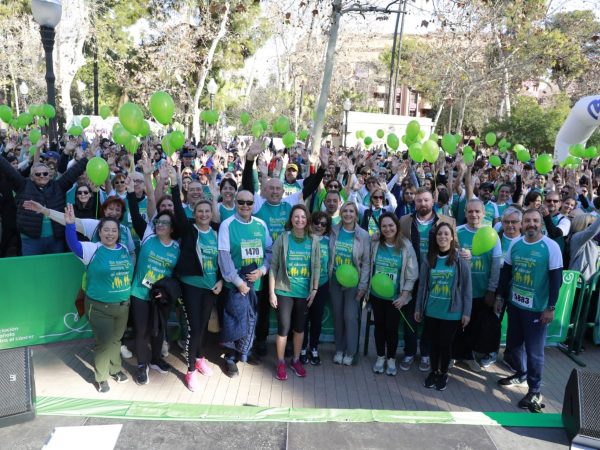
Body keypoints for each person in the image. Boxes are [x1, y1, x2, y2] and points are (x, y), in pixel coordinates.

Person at [496, 208, 563, 411]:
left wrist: (550, 307)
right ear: (522, 224)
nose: (531, 224)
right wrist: (500, 296)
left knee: (534, 352)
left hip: (537, 310)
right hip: (516, 306)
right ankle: (521, 373)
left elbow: (556, 281)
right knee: (514, 345)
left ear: (541, 223)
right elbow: (506, 274)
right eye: (527, 221)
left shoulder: (550, 247)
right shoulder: (515, 244)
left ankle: (534, 391)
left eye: (535, 220)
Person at [64, 204, 133, 393]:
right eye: (106, 230)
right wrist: (70, 225)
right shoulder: (91, 249)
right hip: (99, 307)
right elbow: (74, 245)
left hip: (122, 306)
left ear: (118, 233)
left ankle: (115, 369)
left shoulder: (124, 249)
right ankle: (102, 377)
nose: (110, 234)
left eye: (114, 231)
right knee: (103, 344)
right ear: (99, 232)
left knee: (116, 341)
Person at [398, 187, 456, 372]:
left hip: (436, 278)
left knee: (429, 320)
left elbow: (455, 246)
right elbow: (395, 242)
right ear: (414, 202)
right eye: (419, 200)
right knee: (410, 318)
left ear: (433, 201)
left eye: (426, 200)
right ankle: (409, 352)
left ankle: (425, 353)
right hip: (411, 278)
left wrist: (466, 254)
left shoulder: (446, 221)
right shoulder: (405, 221)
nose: (423, 204)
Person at [218, 189, 272, 377]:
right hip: (235, 285)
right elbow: (224, 257)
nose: (245, 206)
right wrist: (238, 281)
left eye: (249, 203)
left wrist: (263, 270)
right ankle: (230, 357)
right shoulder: (227, 225)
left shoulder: (261, 225)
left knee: (251, 321)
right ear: (235, 202)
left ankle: (245, 352)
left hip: (255, 284)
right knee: (234, 321)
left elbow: (269, 251)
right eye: (241, 202)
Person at [0, 143, 90, 255]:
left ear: (49, 175)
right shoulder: (22, 185)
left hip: (55, 239)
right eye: (38, 174)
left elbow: (73, 172)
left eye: (45, 173)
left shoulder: (58, 186)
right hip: (31, 240)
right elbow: (8, 169)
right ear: (32, 177)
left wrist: (86, 159)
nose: (42, 176)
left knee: (55, 269)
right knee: (33, 269)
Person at [415, 222, 472, 391]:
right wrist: (419, 308)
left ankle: (443, 373)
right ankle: (433, 371)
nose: (443, 237)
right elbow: (423, 286)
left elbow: (467, 287)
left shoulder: (460, 259)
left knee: (445, 344)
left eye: (446, 234)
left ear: (452, 237)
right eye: (440, 234)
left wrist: (466, 312)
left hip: (452, 311)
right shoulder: (429, 258)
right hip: (432, 309)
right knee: (432, 343)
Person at [269, 205, 320, 380]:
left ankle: (296, 360)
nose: (300, 220)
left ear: (307, 220)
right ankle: (281, 362)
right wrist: (272, 292)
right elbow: (273, 266)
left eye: (303, 217)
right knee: (284, 327)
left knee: (299, 328)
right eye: (296, 217)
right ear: (291, 219)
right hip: (283, 290)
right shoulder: (283, 238)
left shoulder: (313, 240)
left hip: (303, 293)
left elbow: (316, 266)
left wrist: (314, 289)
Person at [129, 210, 180, 385]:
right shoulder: (148, 236)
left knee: (158, 330)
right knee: (141, 332)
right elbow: (147, 203)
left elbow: (175, 276)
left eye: (165, 223)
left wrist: (165, 292)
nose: (160, 225)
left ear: (172, 228)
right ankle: (142, 365)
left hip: (160, 296)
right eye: (158, 221)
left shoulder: (176, 248)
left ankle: (155, 359)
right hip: (140, 293)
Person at [369, 213, 418, 376]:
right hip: (377, 296)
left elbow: (412, 273)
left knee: (391, 329)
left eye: (391, 225)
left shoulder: (405, 245)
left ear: (396, 226)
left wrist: (404, 296)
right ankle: (380, 357)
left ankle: (391, 358)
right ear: (380, 229)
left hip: (395, 298)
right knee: (379, 328)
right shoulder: (375, 243)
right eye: (384, 226)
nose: (388, 229)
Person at [455, 199, 502, 370]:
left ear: (483, 214)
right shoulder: (457, 232)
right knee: (458, 324)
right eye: (470, 211)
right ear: (465, 213)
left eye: (477, 212)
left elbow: (496, 264)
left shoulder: (492, 234)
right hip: (460, 289)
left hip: (482, 290)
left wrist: (491, 289)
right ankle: (456, 354)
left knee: (475, 325)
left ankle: (468, 356)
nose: (473, 215)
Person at [328, 201, 370, 365]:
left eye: (351, 211)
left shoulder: (363, 235)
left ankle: (351, 352)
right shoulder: (334, 230)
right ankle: (339, 349)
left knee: (350, 317)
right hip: (335, 281)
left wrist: (362, 286)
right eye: (345, 211)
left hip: (354, 283)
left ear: (356, 214)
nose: (348, 214)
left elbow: (366, 263)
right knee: (338, 316)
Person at [300, 211, 331, 365]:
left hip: (322, 285)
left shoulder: (329, 241)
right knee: (304, 318)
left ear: (327, 227)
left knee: (317, 319)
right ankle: (302, 348)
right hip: (305, 284)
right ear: (311, 223)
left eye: (323, 224)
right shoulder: (304, 239)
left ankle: (314, 348)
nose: (319, 226)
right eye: (317, 223)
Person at [568, 214, 600, 282]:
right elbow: (592, 231)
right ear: (581, 224)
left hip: (588, 284)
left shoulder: (593, 241)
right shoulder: (577, 237)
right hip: (577, 282)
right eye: (591, 225)